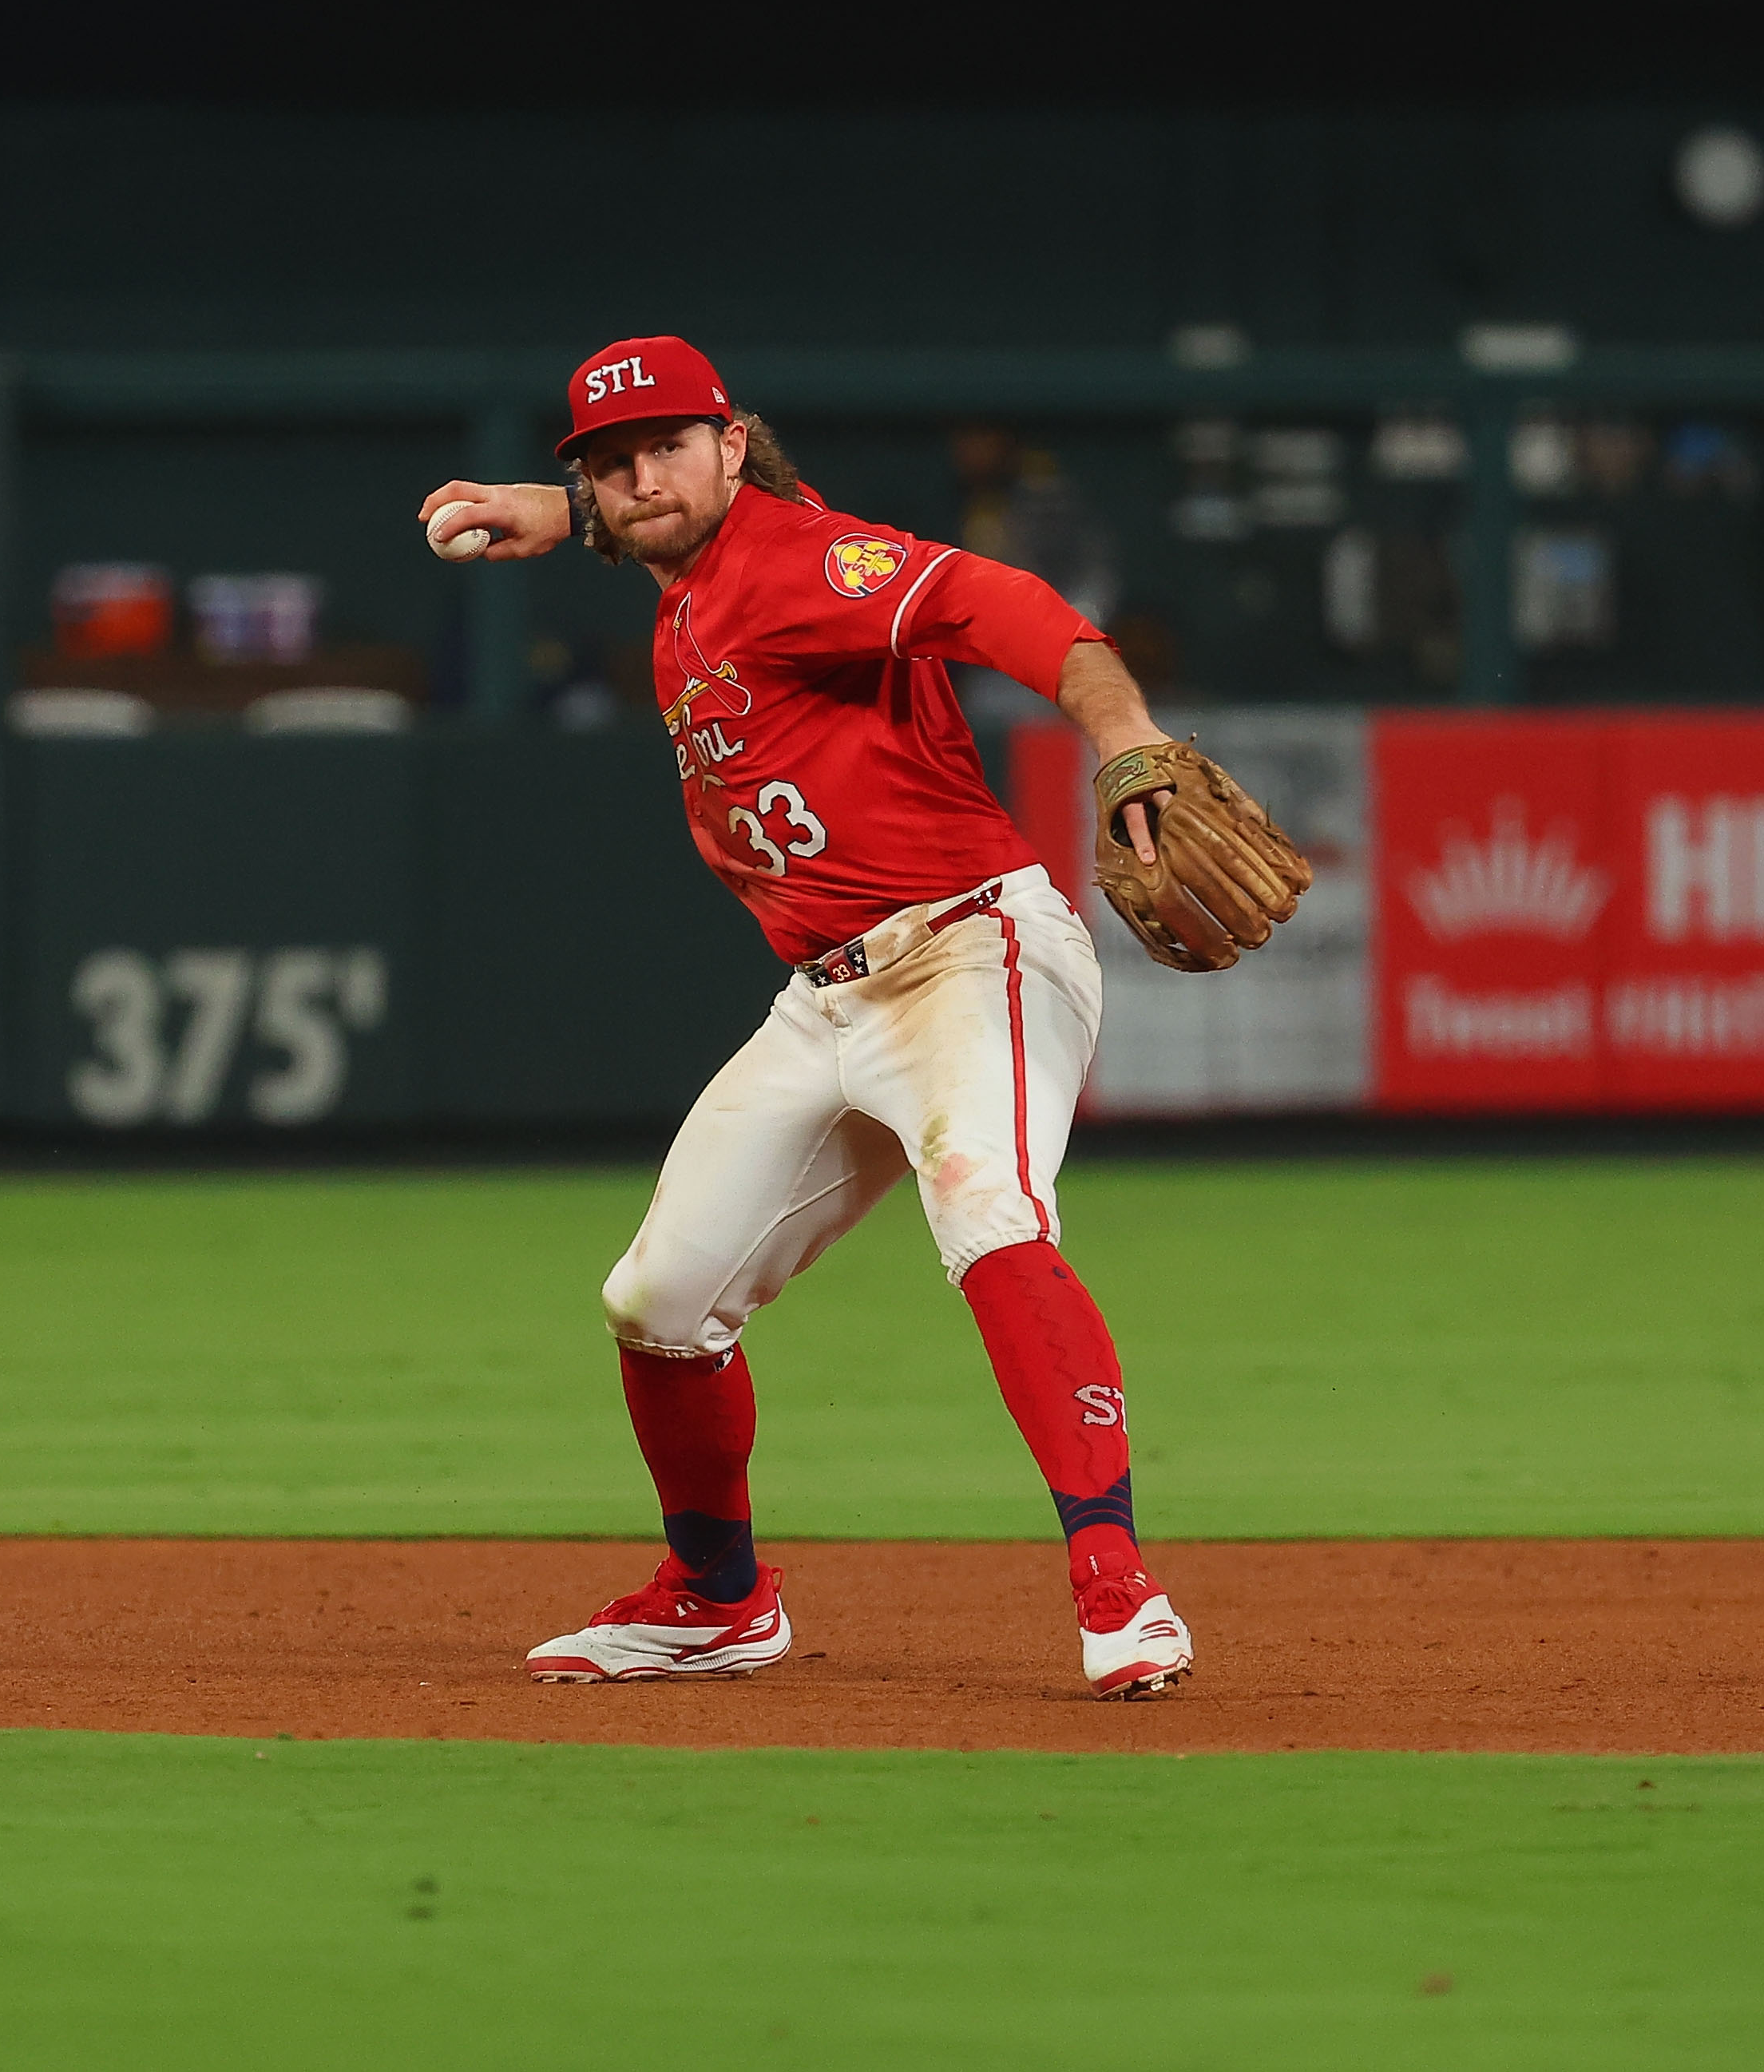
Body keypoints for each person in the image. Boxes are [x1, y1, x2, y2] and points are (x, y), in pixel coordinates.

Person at [417, 337, 1206, 1698]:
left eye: (669, 441)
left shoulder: (803, 560)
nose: (638, 472)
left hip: (970, 947)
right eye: (611, 458)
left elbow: (1008, 605)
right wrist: (563, 508)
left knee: (989, 1209)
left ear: (735, 442)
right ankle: (718, 1599)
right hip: (823, 1000)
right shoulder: (687, 575)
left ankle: (1119, 1589)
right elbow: (651, 514)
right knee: (659, 1301)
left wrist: (1119, 726)